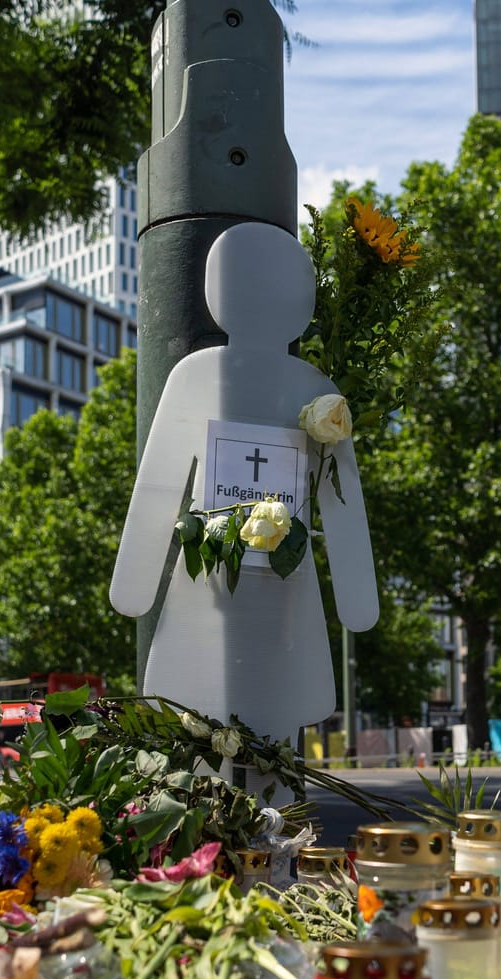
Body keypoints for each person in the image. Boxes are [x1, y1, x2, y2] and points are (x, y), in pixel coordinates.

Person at [109, 222, 378, 747]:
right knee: (219, 708)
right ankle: (243, 821)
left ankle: (237, 821)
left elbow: (160, 485)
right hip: (229, 579)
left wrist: (136, 587)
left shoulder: (308, 388)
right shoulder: (299, 388)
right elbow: (160, 482)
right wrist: (356, 600)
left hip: (254, 583)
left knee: (236, 715)